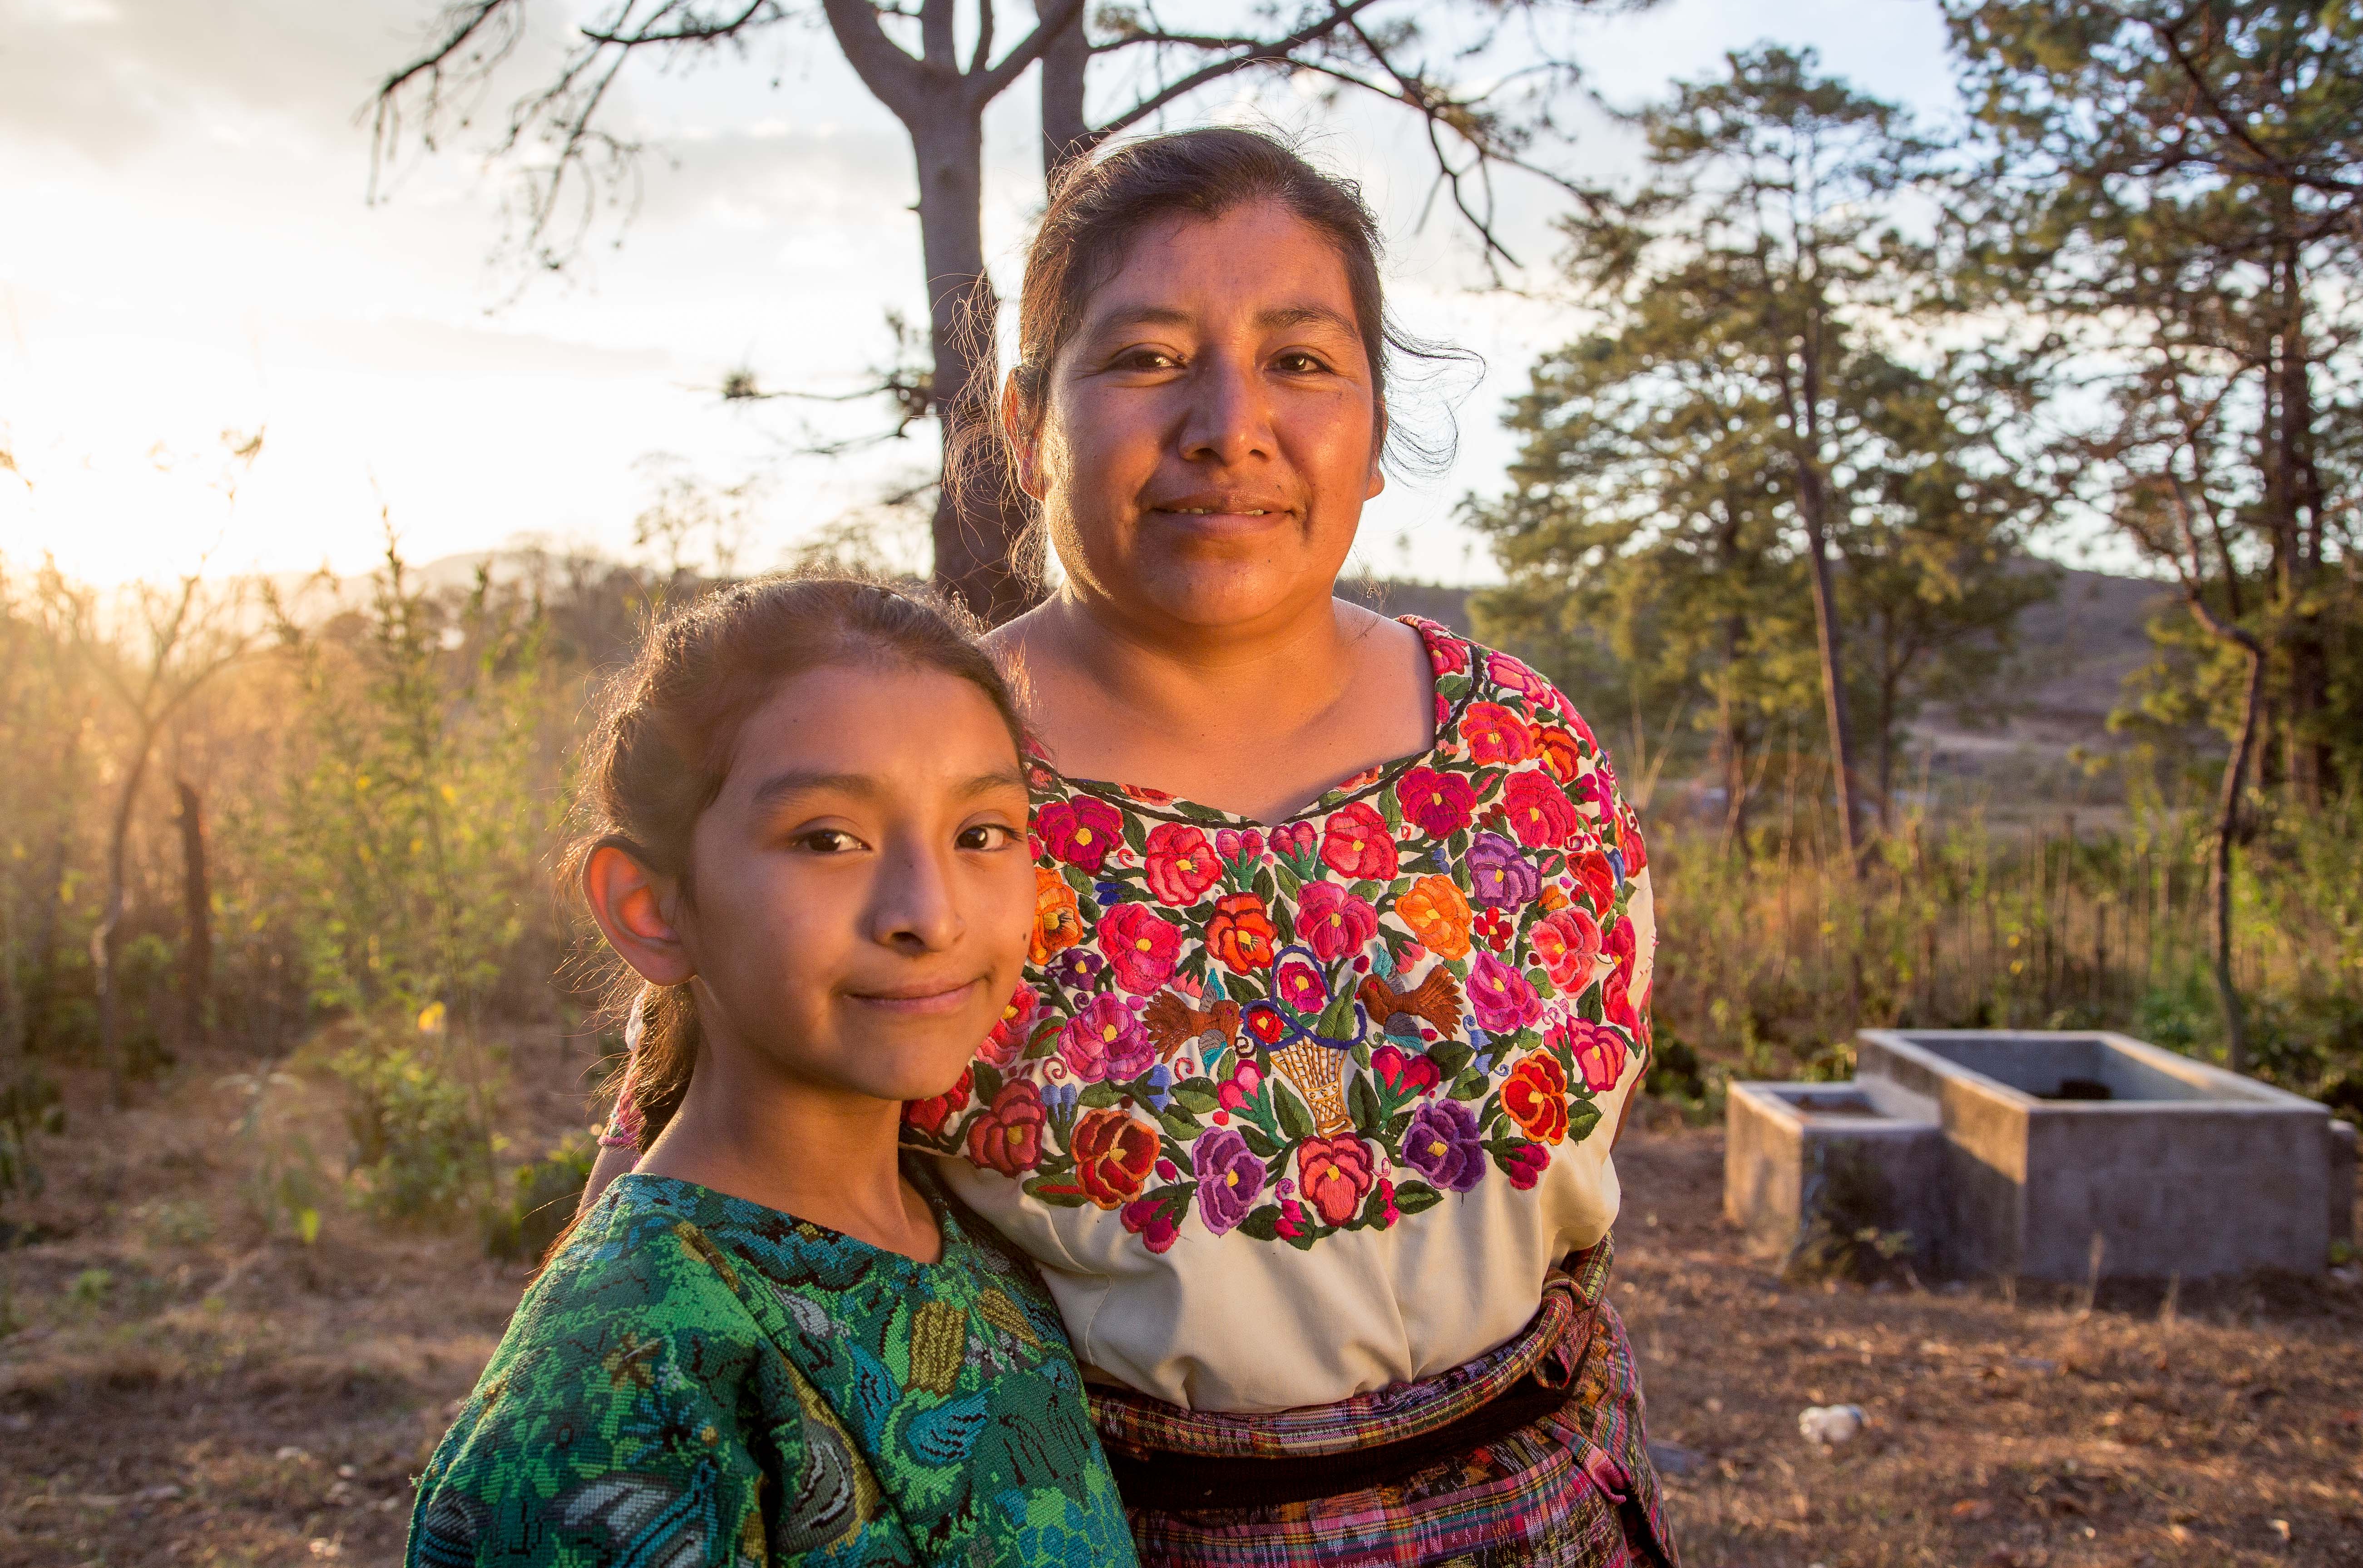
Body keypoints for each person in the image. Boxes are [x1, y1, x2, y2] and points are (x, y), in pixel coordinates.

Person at [593, 129, 1674, 1567]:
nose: (1229, 425)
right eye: (1148, 357)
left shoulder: (1523, 749)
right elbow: (694, 1259)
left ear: (1371, 415)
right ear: (1028, 409)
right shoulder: (911, 781)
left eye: (1300, 361)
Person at [407, 578, 1139, 1568]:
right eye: (827, 839)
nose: (931, 913)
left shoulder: (981, 1247)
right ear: (651, 908)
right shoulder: (621, 1387)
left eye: (981, 834)